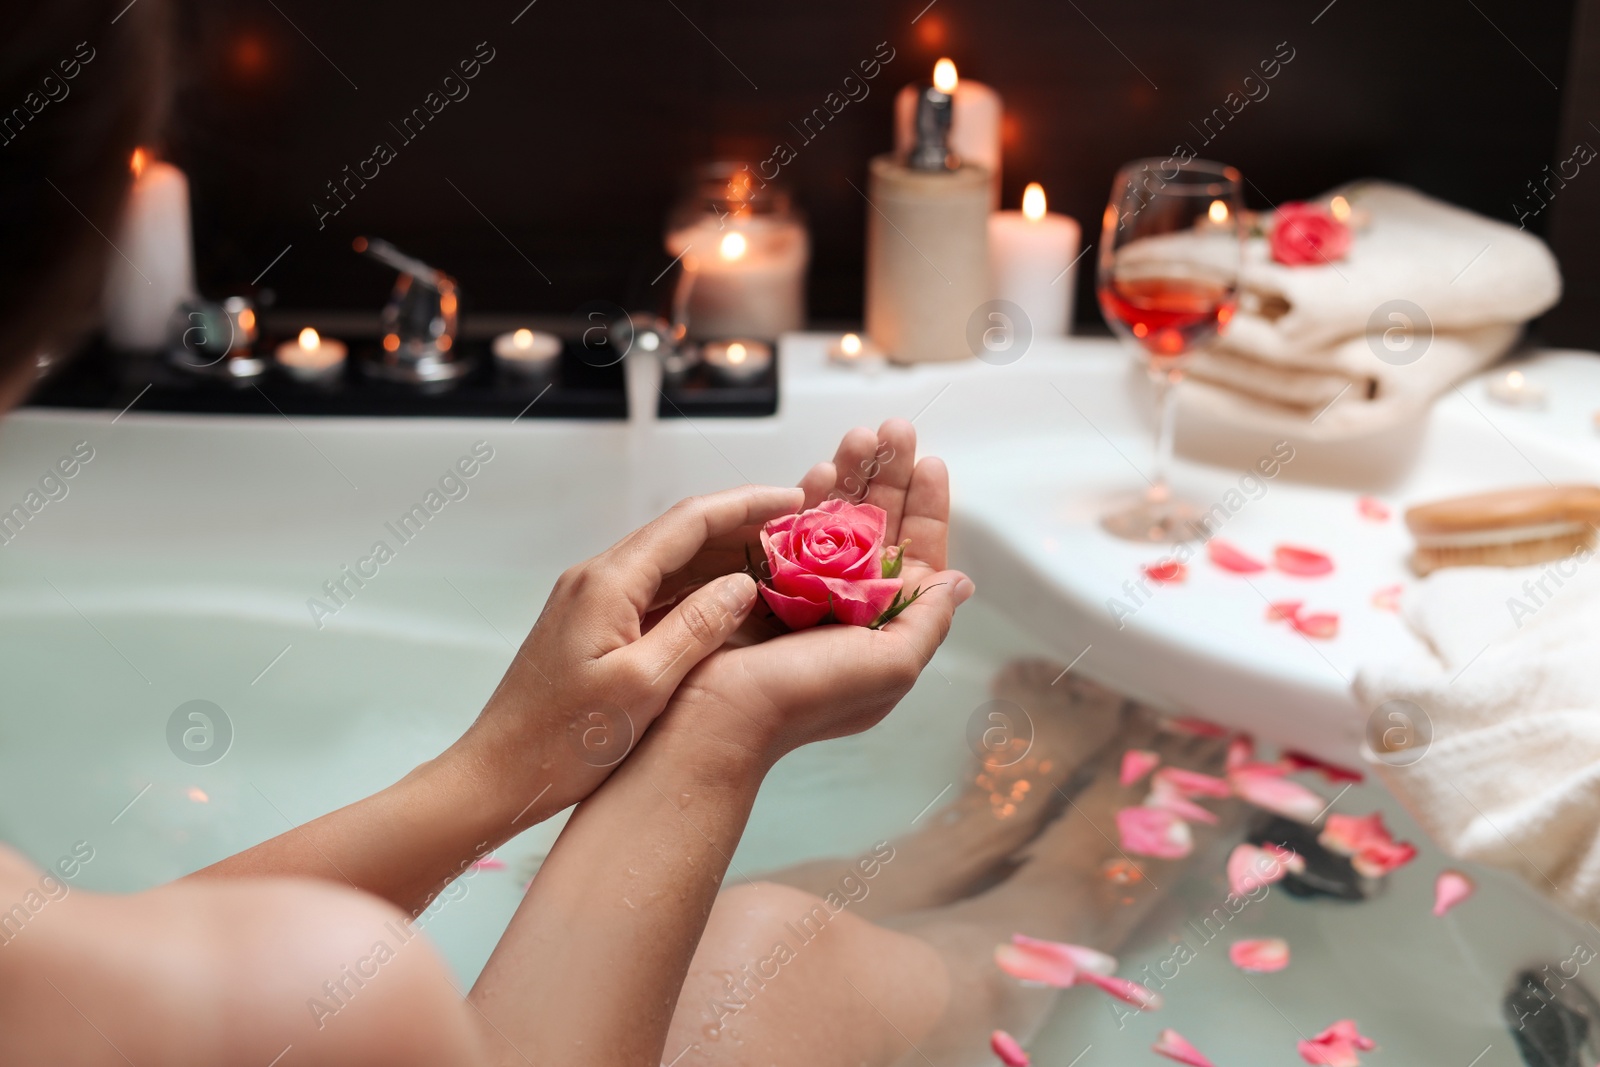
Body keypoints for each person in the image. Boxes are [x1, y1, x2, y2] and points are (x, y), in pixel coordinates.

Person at [1, 4, 1232, 1064]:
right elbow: (221, 1002)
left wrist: (509, 765)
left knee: (762, 949)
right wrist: (715, 733)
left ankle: (971, 838)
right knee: (764, 973)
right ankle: (1079, 884)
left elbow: (101, 994)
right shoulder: (330, 990)